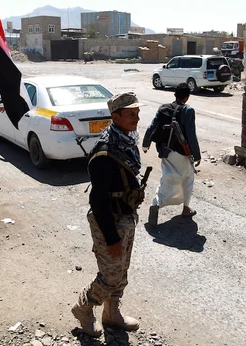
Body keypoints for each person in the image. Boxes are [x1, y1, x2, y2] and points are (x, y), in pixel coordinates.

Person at [72, 92, 144, 337]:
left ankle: (112, 314)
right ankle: (84, 308)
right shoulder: (105, 151)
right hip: (109, 220)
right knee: (110, 275)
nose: (136, 118)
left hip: (126, 216)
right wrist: (111, 237)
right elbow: (98, 200)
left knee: (121, 271)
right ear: (115, 117)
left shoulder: (126, 141)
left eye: (137, 113)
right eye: (131, 114)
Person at [142, 83, 201, 226]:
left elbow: (152, 127)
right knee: (188, 179)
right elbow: (191, 134)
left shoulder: (163, 108)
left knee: (167, 178)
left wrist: (145, 144)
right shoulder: (188, 110)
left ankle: (156, 204)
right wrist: (197, 155)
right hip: (182, 152)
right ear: (187, 97)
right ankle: (186, 208)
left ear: (175, 94)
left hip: (165, 151)